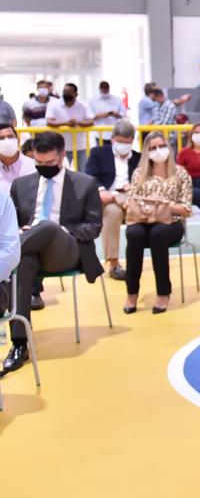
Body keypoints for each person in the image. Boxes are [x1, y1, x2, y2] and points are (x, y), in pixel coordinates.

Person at [2, 131, 104, 376]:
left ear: (62, 157)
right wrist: (19, 230)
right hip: (31, 250)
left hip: (67, 248)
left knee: (47, 227)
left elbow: (94, 227)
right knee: (23, 261)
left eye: (50, 163)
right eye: (39, 163)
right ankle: (19, 343)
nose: (44, 167)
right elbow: (11, 223)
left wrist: (59, 229)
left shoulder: (85, 183)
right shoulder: (22, 184)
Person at [123, 132, 193, 314]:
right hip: (143, 219)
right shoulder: (139, 173)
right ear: (146, 152)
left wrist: (166, 205)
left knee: (158, 234)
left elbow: (186, 209)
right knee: (133, 234)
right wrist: (148, 203)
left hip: (172, 223)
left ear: (168, 148)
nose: (158, 151)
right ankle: (131, 292)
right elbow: (131, 199)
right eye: (153, 148)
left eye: (161, 146)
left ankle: (163, 292)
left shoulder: (181, 174)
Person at [83, 120, 141, 280]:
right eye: (119, 141)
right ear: (113, 138)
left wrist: (133, 187)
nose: (123, 144)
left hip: (130, 197)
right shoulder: (98, 153)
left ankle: (136, 261)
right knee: (112, 213)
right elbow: (89, 177)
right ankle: (114, 264)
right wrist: (101, 191)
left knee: (133, 209)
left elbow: (144, 181)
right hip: (107, 199)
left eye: (126, 142)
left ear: (132, 140)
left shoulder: (139, 158)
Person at [44, 83, 94, 169]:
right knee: (60, 172)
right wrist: (66, 123)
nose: (66, 94)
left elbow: (91, 121)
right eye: (65, 91)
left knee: (83, 173)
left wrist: (78, 123)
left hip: (81, 146)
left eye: (69, 92)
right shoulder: (54, 104)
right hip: (60, 146)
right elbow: (49, 121)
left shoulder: (83, 105)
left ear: (76, 94)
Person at [0, 122, 36, 195]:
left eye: (10, 137)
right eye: (1, 138)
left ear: (18, 140)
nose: (7, 141)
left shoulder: (34, 167)